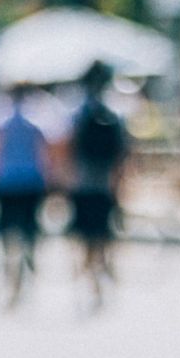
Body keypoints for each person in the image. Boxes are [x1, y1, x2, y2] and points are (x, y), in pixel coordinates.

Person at [67, 64, 128, 310]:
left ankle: (87, 275)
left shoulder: (75, 111)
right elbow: (123, 154)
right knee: (102, 235)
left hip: (81, 183)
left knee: (82, 236)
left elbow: (67, 149)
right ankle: (99, 275)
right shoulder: (116, 112)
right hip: (105, 184)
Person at [0, 89, 50, 310]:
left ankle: (10, 272)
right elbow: (45, 156)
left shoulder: (2, 124)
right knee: (29, 231)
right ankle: (25, 264)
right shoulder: (36, 126)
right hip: (31, 183)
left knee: (5, 232)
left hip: (6, 183)